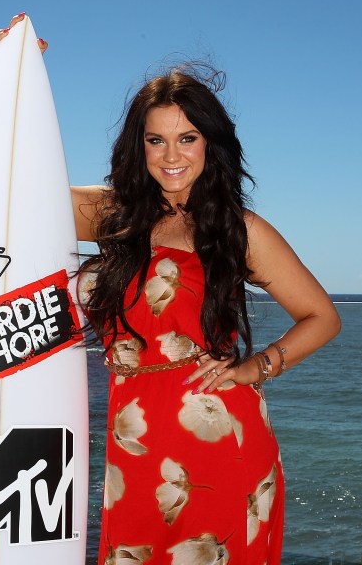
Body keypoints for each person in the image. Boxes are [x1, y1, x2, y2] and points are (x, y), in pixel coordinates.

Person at [69, 66, 342, 564]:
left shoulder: (240, 229)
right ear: (139, 146)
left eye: (187, 138)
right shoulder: (113, 215)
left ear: (209, 143)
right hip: (134, 445)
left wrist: (254, 368)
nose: (171, 156)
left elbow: (321, 317)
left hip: (215, 437)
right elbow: (7, 200)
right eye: (156, 140)